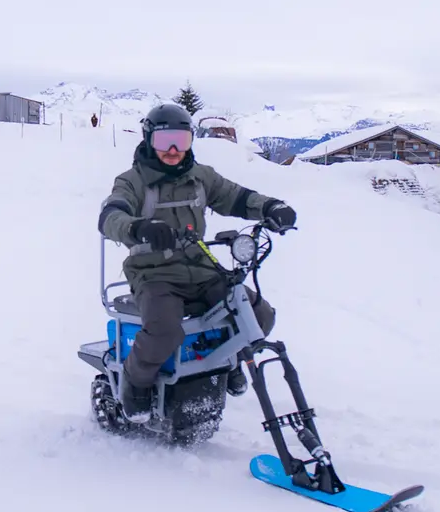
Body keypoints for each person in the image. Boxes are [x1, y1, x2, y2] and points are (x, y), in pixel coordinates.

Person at [97, 102, 297, 420]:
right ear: (149, 140)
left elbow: (236, 197)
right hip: (153, 273)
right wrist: (139, 227)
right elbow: (111, 215)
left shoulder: (200, 177)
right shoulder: (132, 181)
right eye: (165, 141)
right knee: (164, 331)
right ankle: (135, 384)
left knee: (257, 315)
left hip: (200, 268)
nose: (174, 150)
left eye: (182, 140)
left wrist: (270, 207)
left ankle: (226, 362)